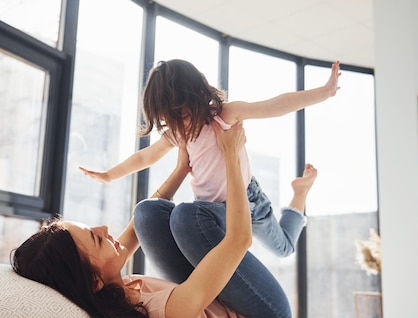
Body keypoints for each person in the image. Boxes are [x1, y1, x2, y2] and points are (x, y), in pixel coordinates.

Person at [11, 123, 318, 318]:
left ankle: (296, 202)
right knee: (188, 216)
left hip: (217, 297)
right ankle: (299, 201)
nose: (105, 230)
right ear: (93, 280)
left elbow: (141, 220)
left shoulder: (117, 287)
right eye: (95, 237)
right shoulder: (160, 313)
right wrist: (230, 157)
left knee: (147, 212)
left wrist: (182, 168)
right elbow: (240, 240)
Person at [79, 59, 338, 258]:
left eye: (180, 111)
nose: (179, 120)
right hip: (209, 210)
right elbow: (145, 156)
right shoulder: (178, 133)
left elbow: (276, 105)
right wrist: (109, 175)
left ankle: (300, 195)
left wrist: (324, 92)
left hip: (248, 202)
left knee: (283, 249)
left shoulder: (225, 114)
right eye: (170, 117)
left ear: (198, 94)